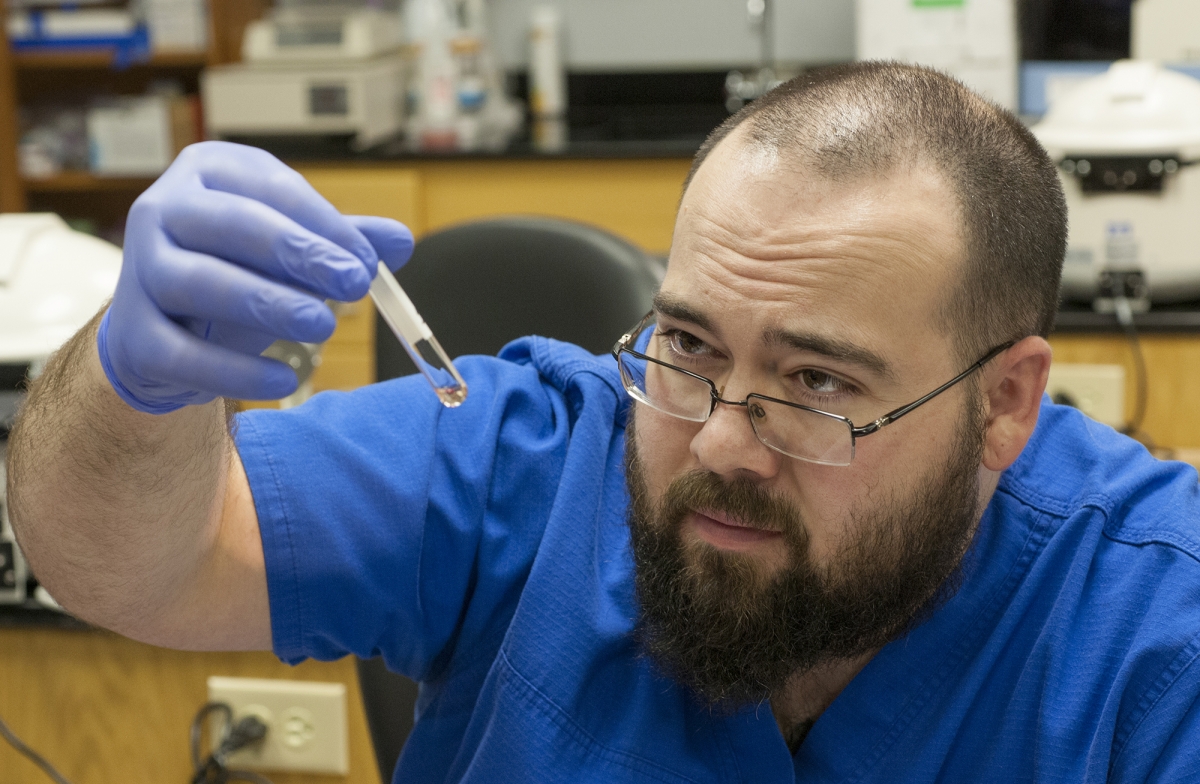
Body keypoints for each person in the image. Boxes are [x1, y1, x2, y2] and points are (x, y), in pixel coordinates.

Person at [7, 61, 1200, 783]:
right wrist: (129, 388)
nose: (723, 443)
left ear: (1004, 405)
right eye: (687, 346)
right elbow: (120, 563)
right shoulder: (533, 455)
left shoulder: (1151, 624)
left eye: (818, 385)